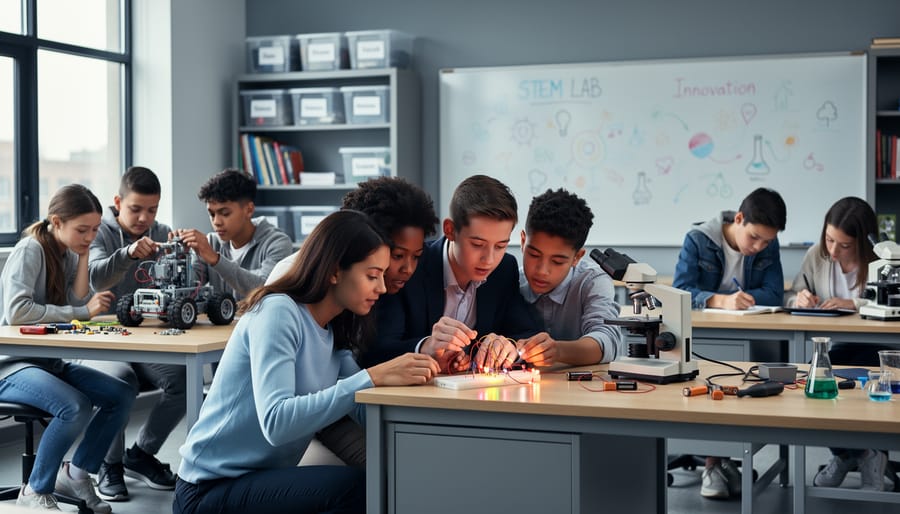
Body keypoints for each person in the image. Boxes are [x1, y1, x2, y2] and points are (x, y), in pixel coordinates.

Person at [173, 210, 440, 514]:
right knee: (355, 489)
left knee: (391, 478)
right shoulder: (279, 312)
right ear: (335, 271)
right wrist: (372, 377)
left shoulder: (334, 328)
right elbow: (277, 422)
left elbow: (361, 411)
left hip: (259, 480)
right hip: (207, 489)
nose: (381, 287)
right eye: (371, 275)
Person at [266, 176, 439, 467]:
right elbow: (286, 410)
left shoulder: (379, 283)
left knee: (405, 462)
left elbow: (352, 363)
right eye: (398, 256)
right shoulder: (293, 290)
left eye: (416, 257)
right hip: (307, 409)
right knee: (381, 474)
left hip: (337, 397)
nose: (407, 269)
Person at [0, 184, 135, 513]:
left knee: (120, 395)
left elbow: (76, 300)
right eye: (82, 230)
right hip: (12, 364)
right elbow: (17, 312)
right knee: (74, 405)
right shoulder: (29, 250)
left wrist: (84, 255)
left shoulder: (68, 252)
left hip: (49, 363)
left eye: (94, 230)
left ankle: (75, 473)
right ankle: (36, 489)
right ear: (56, 222)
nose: (89, 236)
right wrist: (81, 312)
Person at [672, 186, 787, 500]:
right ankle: (715, 461)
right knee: (714, 380)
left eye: (767, 241)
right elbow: (681, 291)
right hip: (703, 333)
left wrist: (744, 301)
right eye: (754, 237)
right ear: (738, 218)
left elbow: (774, 294)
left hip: (749, 332)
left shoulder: (767, 244)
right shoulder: (698, 239)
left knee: (763, 378)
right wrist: (719, 300)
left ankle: (723, 459)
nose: (759, 246)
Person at [376, 174, 541, 374]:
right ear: (450, 230)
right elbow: (377, 349)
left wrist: (509, 346)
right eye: (477, 244)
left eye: (500, 246)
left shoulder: (504, 269)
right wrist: (425, 347)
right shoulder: (410, 265)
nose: (489, 259)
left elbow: (527, 332)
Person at [85, 166, 182, 500]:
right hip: (102, 341)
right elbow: (96, 277)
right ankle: (108, 464)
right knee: (120, 382)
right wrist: (127, 253)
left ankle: (140, 454)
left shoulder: (161, 232)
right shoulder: (100, 232)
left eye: (152, 209)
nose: (145, 218)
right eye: (136, 209)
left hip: (145, 340)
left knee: (184, 380)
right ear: (117, 202)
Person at [785, 196, 888, 491]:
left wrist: (855, 303)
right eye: (829, 240)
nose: (833, 250)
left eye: (844, 245)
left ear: (862, 242)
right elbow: (792, 295)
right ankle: (852, 455)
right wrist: (800, 298)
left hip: (879, 349)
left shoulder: (884, 260)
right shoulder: (816, 255)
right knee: (814, 388)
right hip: (834, 347)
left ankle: (871, 454)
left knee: (872, 393)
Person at [516, 188, 622, 366]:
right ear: (522, 241)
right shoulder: (511, 280)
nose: (542, 270)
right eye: (534, 255)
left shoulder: (592, 281)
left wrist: (558, 351)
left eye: (557, 261)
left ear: (577, 257)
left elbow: (606, 340)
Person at [174, 168, 293, 302]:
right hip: (225, 324)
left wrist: (216, 260)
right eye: (212, 214)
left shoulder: (278, 243)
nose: (216, 222)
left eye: (225, 213)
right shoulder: (211, 242)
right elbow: (189, 289)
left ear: (249, 210)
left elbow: (265, 288)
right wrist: (181, 259)